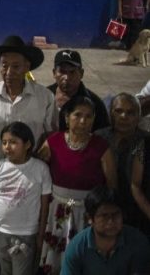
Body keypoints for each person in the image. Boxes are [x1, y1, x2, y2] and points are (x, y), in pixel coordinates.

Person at [36, 96, 117, 273]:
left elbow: (111, 186)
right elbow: (35, 173)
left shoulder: (102, 147)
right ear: (67, 117)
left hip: (87, 213)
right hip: (56, 212)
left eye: (89, 116)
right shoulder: (53, 142)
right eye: (77, 115)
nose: (83, 121)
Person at [0, 122, 51, 275]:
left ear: (27, 144)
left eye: (13, 142)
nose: (7, 147)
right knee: (4, 271)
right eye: (4, 142)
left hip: (25, 234)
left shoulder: (40, 169)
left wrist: (41, 233)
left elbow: (45, 205)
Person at [0, 35, 57, 158]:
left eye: (16, 66)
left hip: (32, 169)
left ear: (27, 67)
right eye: (4, 65)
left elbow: (53, 136)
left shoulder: (45, 98)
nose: (9, 72)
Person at [61, 185, 150, 275]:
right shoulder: (77, 248)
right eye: (104, 216)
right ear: (90, 218)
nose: (111, 221)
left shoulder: (138, 242)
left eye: (115, 214)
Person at [95, 94, 148, 228]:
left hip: (140, 214)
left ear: (139, 117)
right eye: (118, 111)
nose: (124, 116)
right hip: (103, 212)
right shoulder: (97, 139)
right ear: (110, 114)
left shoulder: (147, 142)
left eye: (131, 112)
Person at [47, 50, 109, 132]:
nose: (67, 77)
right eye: (62, 71)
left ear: (81, 73)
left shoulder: (95, 104)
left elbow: (102, 135)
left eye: (72, 72)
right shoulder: (43, 96)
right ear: (54, 73)